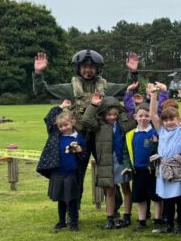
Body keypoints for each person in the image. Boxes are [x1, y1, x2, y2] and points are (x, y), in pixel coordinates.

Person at [33, 50, 139, 204]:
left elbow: (131, 87)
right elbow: (41, 91)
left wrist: (133, 71)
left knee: (107, 172)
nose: (87, 70)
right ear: (78, 68)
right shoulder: (70, 88)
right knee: (76, 173)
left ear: (97, 69)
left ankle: (113, 209)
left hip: (101, 137)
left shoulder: (106, 88)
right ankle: (73, 209)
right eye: (84, 66)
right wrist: (38, 73)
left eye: (91, 67)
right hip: (78, 138)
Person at [80, 93, 135, 229]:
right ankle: (110, 218)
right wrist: (93, 105)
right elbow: (86, 120)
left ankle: (127, 216)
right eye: (109, 114)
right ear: (103, 114)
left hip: (122, 161)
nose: (112, 117)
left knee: (126, 188)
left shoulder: (123, 123)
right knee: (109, 191)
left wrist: (122, 111)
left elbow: (133, 121)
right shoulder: (98, 125)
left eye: (114, 114)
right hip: (107, 162)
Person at [149, 85, 181, 234]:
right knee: (167, 198)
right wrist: (154, 96)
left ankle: (180, 224)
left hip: (178, 167)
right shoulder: (161, 130)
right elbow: (153, 115)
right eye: (166, 120)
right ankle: (169, 224)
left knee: (180, 198)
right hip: (164, 167)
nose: (169, 122)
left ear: (177, 119)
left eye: (172, 119)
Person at [37, 100, 87, 232]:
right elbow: (49, 119)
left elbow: (84, 155)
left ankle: (74, 223)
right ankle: (62, 221)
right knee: (61, 199)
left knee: (72, 199)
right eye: (61, 126)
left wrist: (79, 150)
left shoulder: (79, 137)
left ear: (72, 123)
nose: (64, 128)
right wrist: (61, 107)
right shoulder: (56, 136)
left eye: (66, 125)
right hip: (58, 173)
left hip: (72, 173)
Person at [121, 103, 159, 231]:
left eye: (147, 116)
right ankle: (142, 221)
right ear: (135, 117)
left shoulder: (155, 132)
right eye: (140, 115)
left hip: (153, 171)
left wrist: (155, 144)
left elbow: (158, 151)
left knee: (156, 196)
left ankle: (158, 220)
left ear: (151, 117)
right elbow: (126, 153)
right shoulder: (130, 135)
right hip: (138, 171)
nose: (143, 118)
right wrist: (128, 166)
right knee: (139, 197)